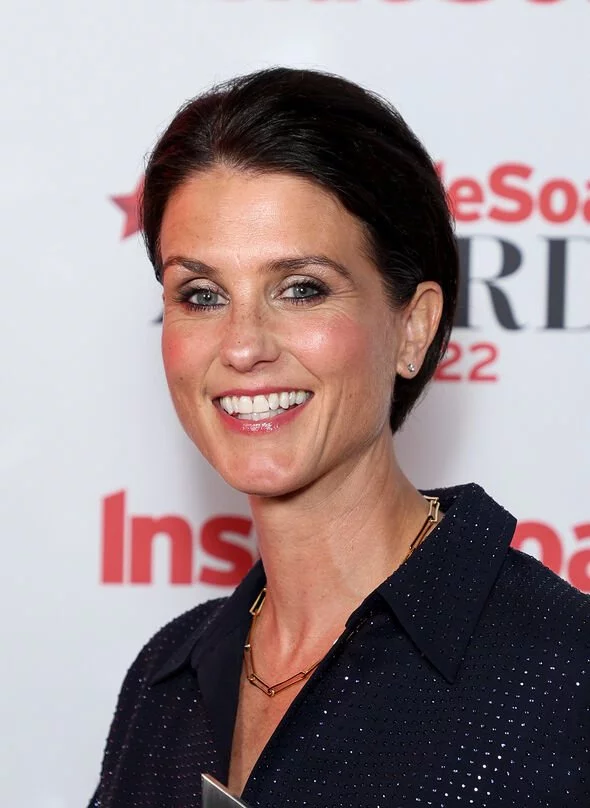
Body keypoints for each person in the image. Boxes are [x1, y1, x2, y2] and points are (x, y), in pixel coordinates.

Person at [88, 67, 590, 808]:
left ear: (413, 327)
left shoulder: (563, 679)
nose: (243, 346)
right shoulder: (165, 682)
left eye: (302, 289)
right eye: (201, 294)